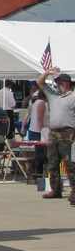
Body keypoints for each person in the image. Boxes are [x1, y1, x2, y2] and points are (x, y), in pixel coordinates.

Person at [37, 67, 75, 200]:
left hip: (68, 133)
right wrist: (48, 73)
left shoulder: (73, 96)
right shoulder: (53, 95)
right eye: (58, 82)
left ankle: (74, 191)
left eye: (62, 82)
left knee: (70, 164)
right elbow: (40, 82)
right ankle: (55, 190)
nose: (59, 84)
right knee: (52, 162)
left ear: (69, 83)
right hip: (54, 133)